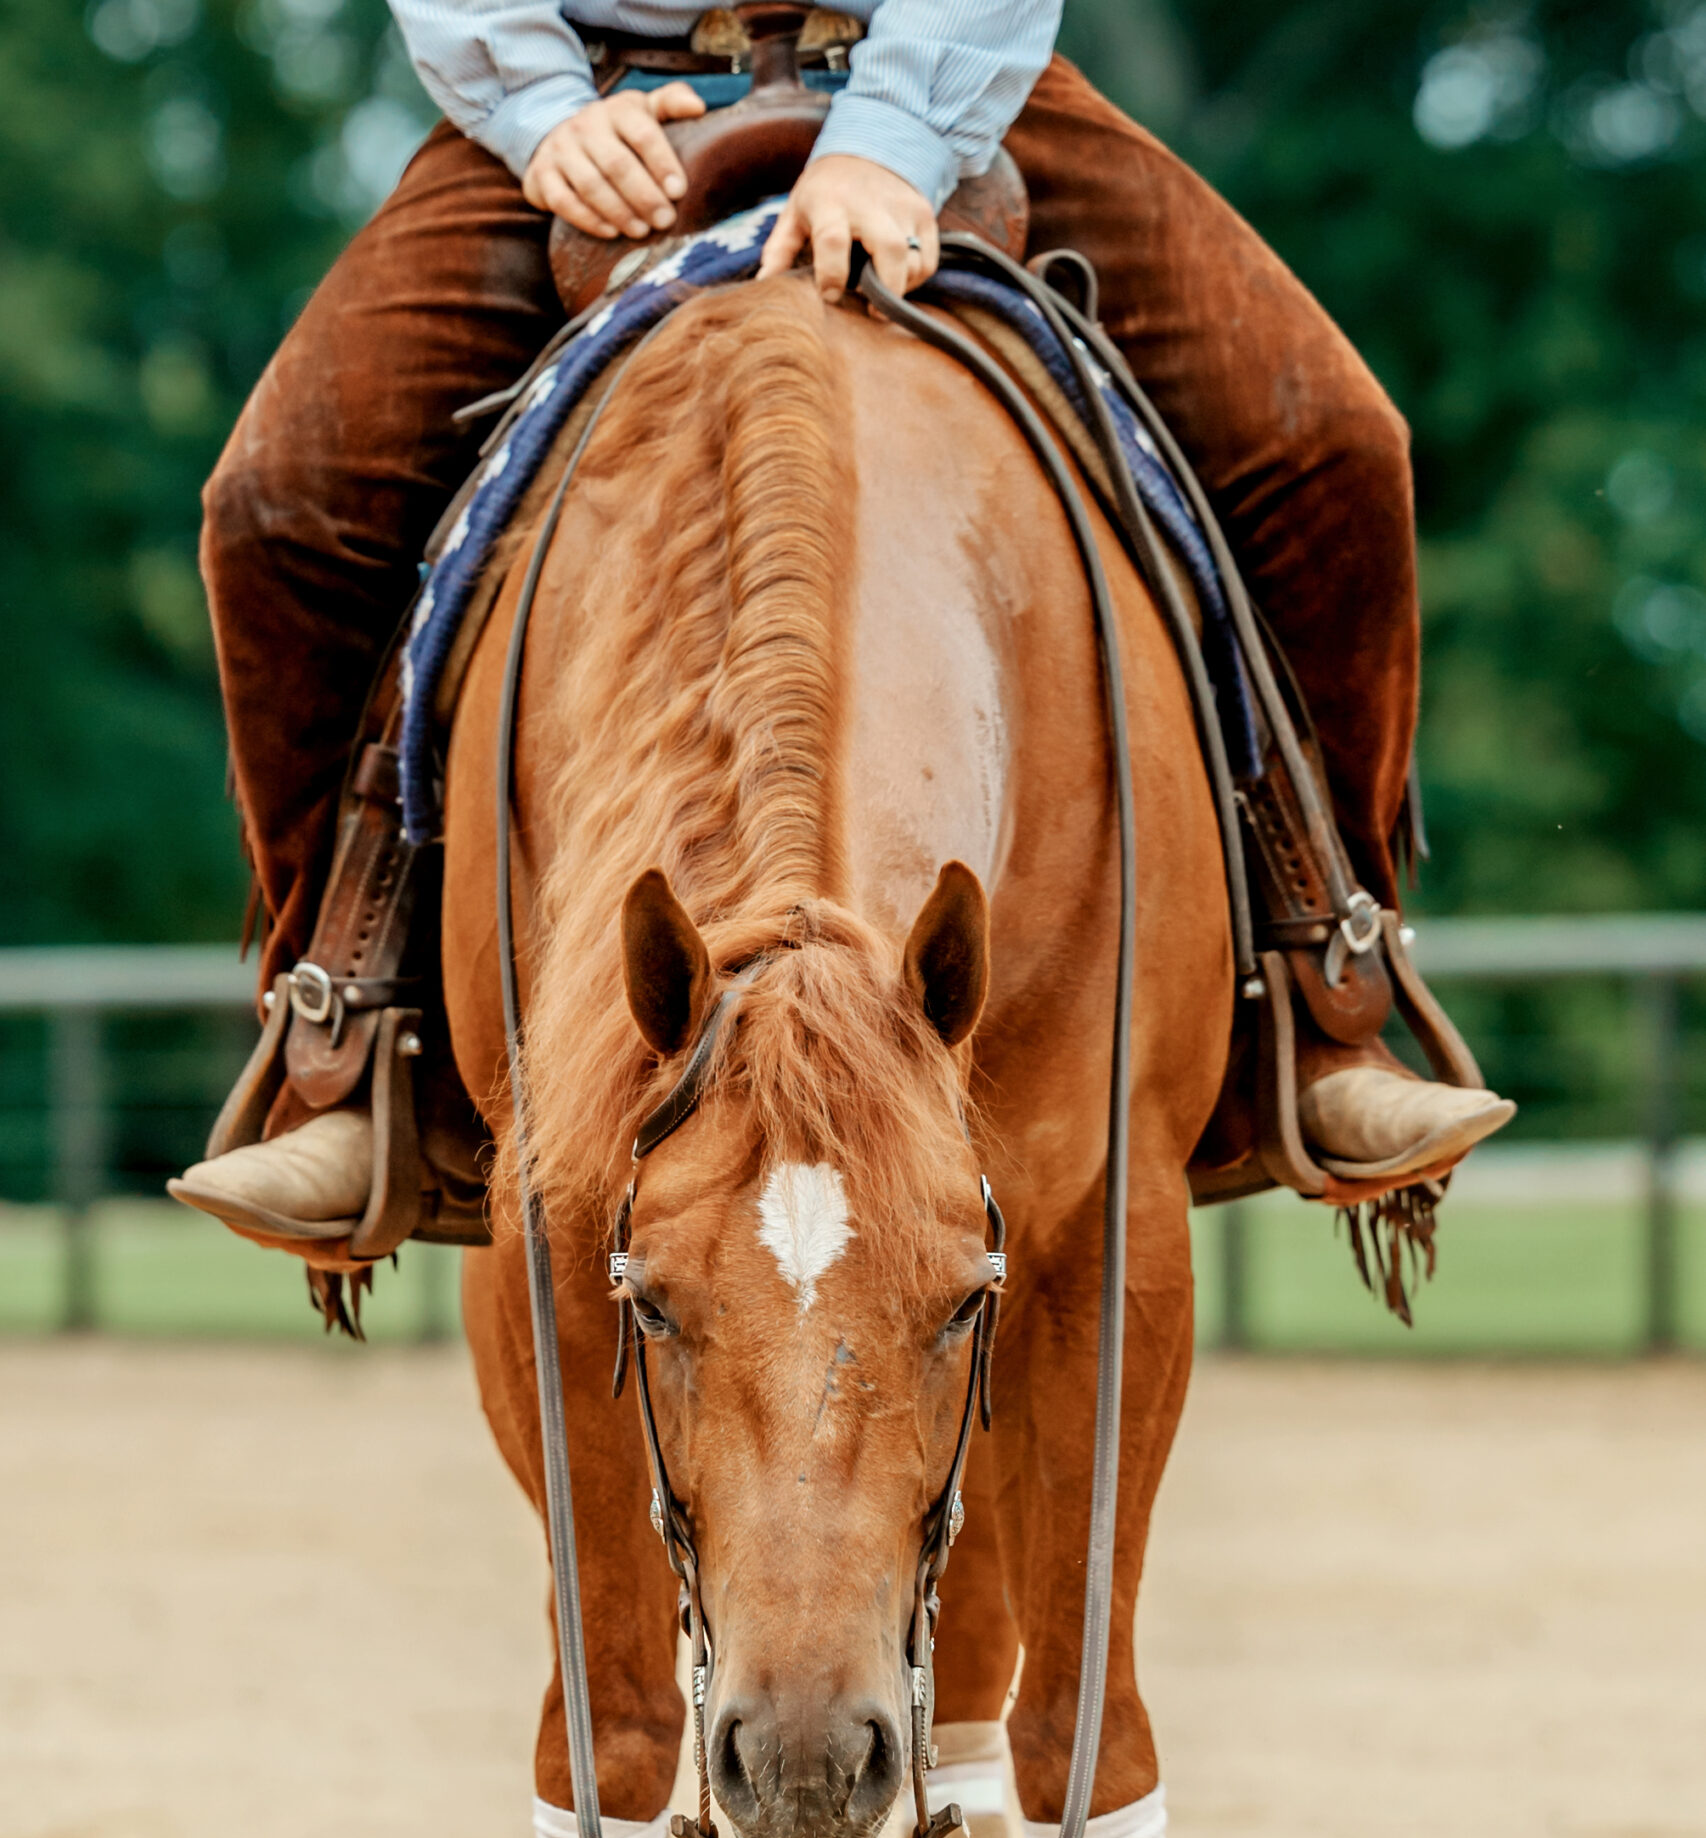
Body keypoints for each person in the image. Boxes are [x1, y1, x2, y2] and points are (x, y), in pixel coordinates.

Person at [172, 0, 1511, 1239]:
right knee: (283, 501)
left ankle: (1321, 997)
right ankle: (342, 1040)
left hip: (946, 72)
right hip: (596, 104)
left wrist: (894, 135)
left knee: (1327, 442)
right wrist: (536, 107)